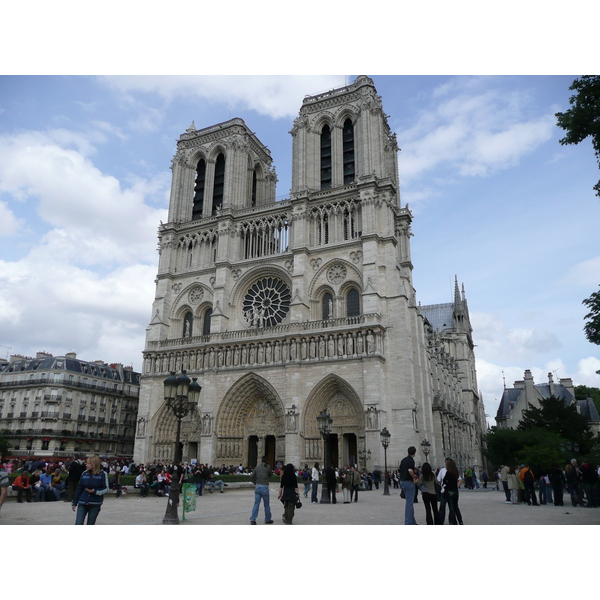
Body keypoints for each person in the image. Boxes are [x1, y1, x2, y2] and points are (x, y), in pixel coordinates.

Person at [71, 455, 109, 525]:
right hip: (83, 502)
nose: (86, 465)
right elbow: (79, 488)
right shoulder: (84, 473)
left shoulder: (103, 474)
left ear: (94, 464)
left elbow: (106, 488)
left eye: (88, 463)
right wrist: (74, 502)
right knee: (78, 523)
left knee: (90, 524)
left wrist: (95, 491)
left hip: (95, 503)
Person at [249, 455, 274, 525]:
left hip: (258, 486)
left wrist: (255, 482)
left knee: (256, 504)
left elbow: (251, 476)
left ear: (261, 461)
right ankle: (267, 519)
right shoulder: (268, 467)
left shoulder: (257, 468)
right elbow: (271, 475)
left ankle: (253, 519)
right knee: (266, 504)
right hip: (264, 487)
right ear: (267, 461)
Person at [399, 446, 418, 525]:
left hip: (402, 482)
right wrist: (414, 477)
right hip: (409, 482)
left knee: (409, 502)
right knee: (409, 504)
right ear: (414, 453)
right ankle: (408, 523)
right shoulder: (411, 460)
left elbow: (400, 470)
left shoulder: (403, 460)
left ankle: (412, 521)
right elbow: (410, 470)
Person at [442, 458, 463, 524]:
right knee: (456, 506)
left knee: (451, 507)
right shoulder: (456, 472)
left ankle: (453, 521)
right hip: (455, 491)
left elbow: (444, 481)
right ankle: (460, 521)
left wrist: (447, 481)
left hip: (449, 491)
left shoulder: (448, 472)